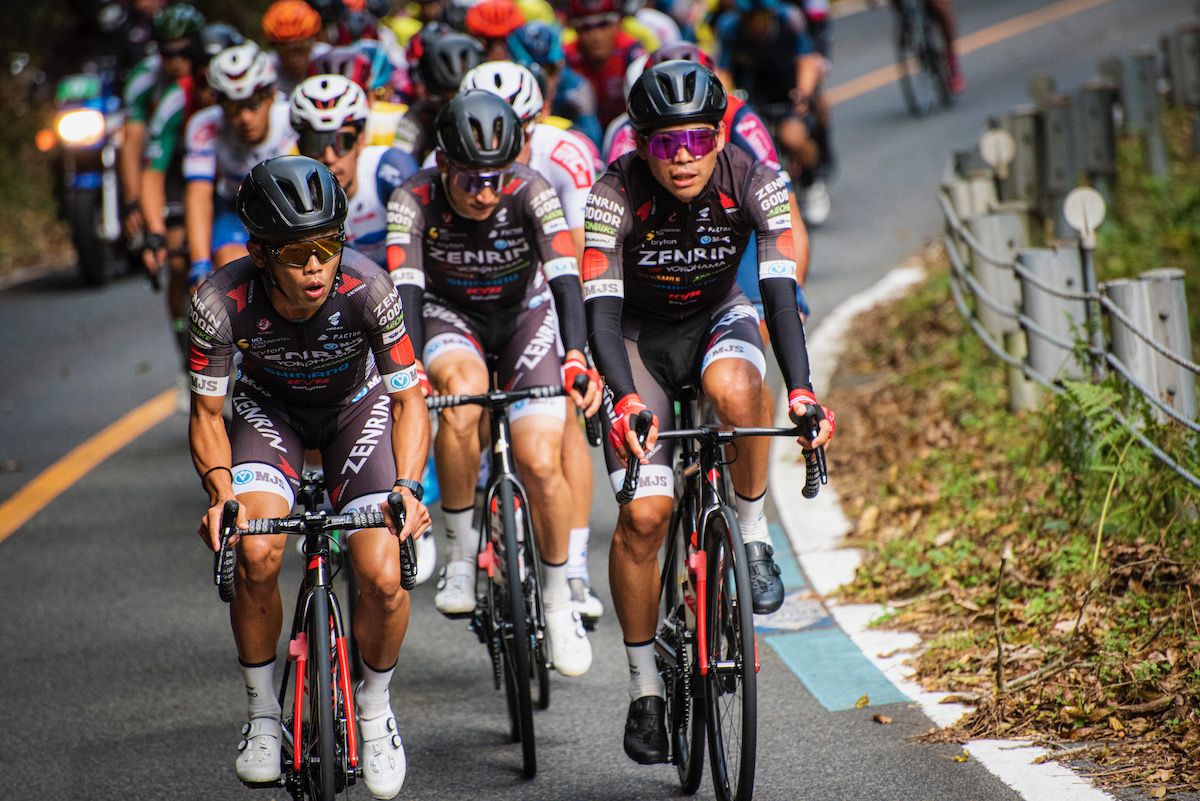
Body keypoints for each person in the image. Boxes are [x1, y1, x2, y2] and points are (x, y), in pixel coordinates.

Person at [581, 60, 833, 762]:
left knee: (736, 393)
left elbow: (782, 296)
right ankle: (644, 692)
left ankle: (751, 535)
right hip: (636, 339)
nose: (683, 157)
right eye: (664, 144)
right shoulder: (610, 194)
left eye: (696, 139)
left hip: (720, 318)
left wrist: (802, 390)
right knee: (645, 517)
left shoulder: (757, 180)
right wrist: (623, 396)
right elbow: (599, 316)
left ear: (721, 134)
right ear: (639, 144)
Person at [189, 155, 430, 799]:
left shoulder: (369, 290)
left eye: (328, 246)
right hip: (271, 414)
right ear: (261, 253)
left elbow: (408, 399)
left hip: (359, 409)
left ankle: (375, 710)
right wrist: (221, 493)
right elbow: (207, 414)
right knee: (259, 551)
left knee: (382, 573)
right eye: (298, 253)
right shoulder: (219, 302)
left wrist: (408, 486)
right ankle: (264, 712)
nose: (317, 266)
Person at [385, 90, 601, 675]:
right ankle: (459, 553)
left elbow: (565, 280)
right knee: (460, 401)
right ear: (442, 163)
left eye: (495, 179)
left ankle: (558, 602)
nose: (485, 193)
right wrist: (409, 377)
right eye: (470, 180)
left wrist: (577, 354)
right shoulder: (412, 199)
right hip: (451, 316)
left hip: (526, 316)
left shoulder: (532, 189)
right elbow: (404, 294)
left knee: (538, 458)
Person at [457, 60, 605, 621]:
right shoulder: (448, 159)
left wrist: (578, 342)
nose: (499, 143)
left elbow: (583, 258)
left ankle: (574, 571)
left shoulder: (564, 154)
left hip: (548, 287)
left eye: (514, 129)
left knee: (563, 414)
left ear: (535, 121)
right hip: (475, 298)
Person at [141, 22, 242, 412]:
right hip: (185, 181)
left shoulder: (246, 93)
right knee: (180, 257)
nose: (211, 90)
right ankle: (189, 355)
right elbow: (151, 170)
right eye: (203, 80)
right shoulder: (175, 101)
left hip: (230, 187)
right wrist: (152, 230)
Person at [183, 42, 298, 289]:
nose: (245, 117)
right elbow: (198, 195)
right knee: (232, 269)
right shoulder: (204, 126)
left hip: (287, 208)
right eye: (233, 107)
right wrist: (200, 265)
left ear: (272, 95)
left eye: (253, 103)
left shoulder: (292, 118)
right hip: (235, 211)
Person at [713, 0, 830, 225]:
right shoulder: (729, 28)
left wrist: (803, 95)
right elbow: (723, 70)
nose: (757, 24)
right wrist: (727, 103)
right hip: (753, 94)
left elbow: (807, 60)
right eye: (751, 19)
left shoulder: (790, 20)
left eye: (762, 17)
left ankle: (813, 182)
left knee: (792, 137)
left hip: (788, 90)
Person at [120, 3, 206, 250]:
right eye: (168, 54)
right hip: (166, 157)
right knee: (177, 253)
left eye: (184, 52)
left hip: (210, 157)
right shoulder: (143, 79)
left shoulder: (215, 75)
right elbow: (132, 142)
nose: (177, 62)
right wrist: (133, 203)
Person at [393, 32, 485, 163]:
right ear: (430, 94)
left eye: (465, 99)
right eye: (446, 101)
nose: (456, 114)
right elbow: (401, 161)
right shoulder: (417, 118)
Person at [563, 0, 647, 130]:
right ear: (575, 29)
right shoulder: (566, 58)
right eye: (586, 27)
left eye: (604, 24)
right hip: (583, 130)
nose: (596, 36)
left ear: (618, 24)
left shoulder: (632, 52)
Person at [262, 0, 330, 97]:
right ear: (274, 48)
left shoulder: (327, 60)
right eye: (284, 50)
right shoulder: (266, 68)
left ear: (313, 41)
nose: (293, 57)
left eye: (301, 47)